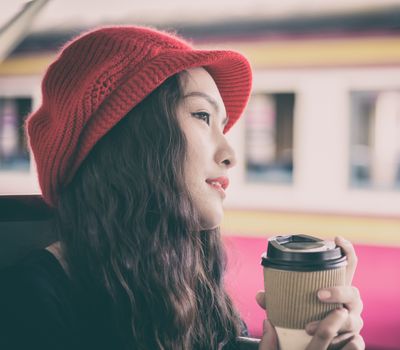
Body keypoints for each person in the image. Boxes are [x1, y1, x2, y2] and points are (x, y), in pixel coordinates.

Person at [0, 26, 364, 350]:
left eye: (224, 126)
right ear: (129, 138)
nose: (230, 155)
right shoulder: (26, 304)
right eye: (202, 117)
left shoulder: (196, 297)